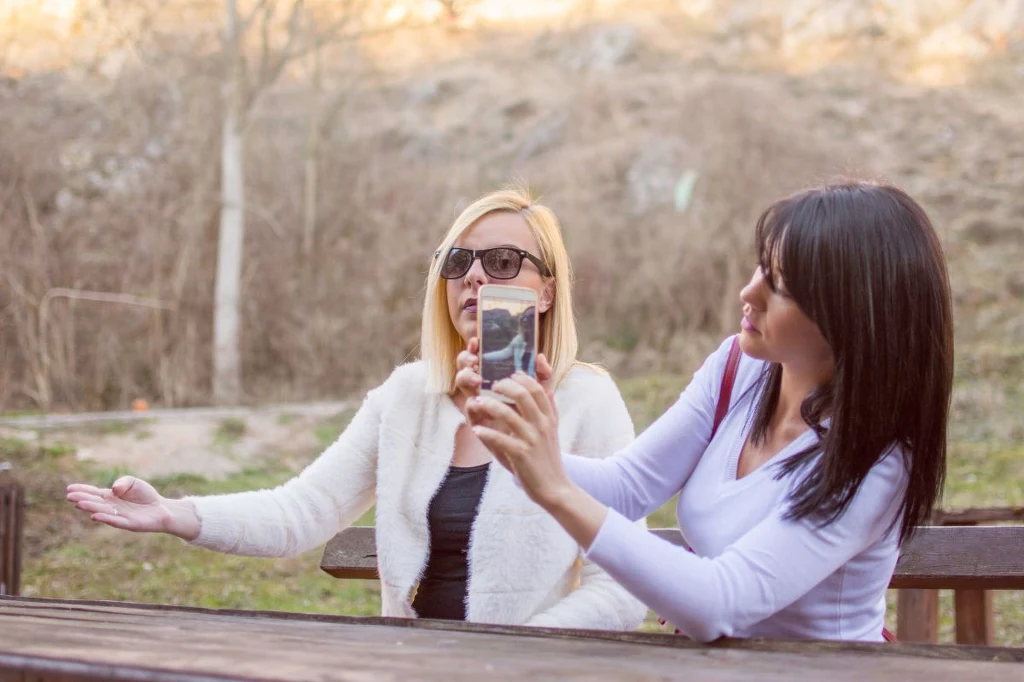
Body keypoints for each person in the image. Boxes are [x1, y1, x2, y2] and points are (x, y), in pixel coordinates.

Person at [66, 188, 647, 629]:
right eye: (458, 261)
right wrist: (176, 513)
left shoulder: (586, 402)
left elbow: (623, 588)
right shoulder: (406, 396)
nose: (473, 275)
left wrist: (513, 655)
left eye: (501, 261)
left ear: (545, 290)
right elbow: (304, 508)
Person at [456, 181, 953, 641]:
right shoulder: (741, 368)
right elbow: (628, 487)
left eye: (779, 286)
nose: (748, 292)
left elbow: (720, 602)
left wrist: (556, 488)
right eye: (761, 266)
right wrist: (518, 440)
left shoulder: (878, 459)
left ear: (849, 317)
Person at [481, 306, 537, 380]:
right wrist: (482, 357)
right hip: (519, 383)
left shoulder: (546, 344)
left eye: (532, 316)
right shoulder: (519, 340)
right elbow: (504, 354)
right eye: (524, 316)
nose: (526, 320)